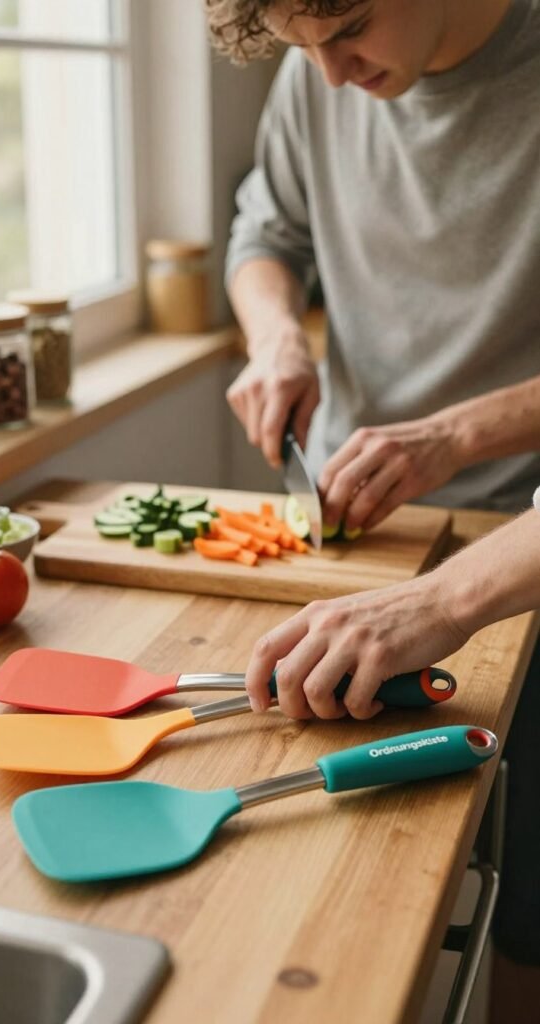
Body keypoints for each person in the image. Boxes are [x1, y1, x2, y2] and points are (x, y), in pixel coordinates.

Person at [203, 1, 540, 1020]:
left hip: (514, 549)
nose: (331, 76)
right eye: (301, 47)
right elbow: (266, 232)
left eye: (347, 28)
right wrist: (276, 339)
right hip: (356, 542)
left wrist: (453, 435)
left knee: (521, 906)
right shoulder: (318, 66)